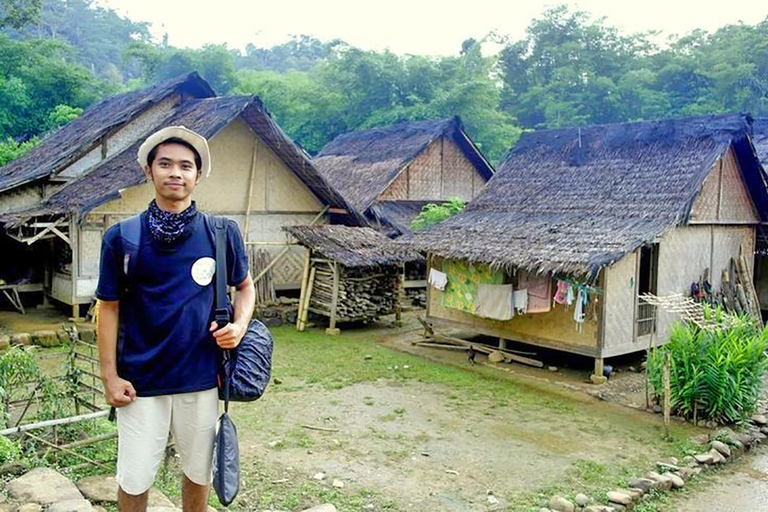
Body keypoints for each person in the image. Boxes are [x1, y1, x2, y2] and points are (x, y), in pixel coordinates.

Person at [96, 126, 256, 512]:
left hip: (200, 378)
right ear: (148, 171)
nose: (176, 173)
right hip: (139, 381)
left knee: (199, 473)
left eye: (186, 166)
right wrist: (110, 376)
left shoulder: (221, 233)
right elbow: (109, 307)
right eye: (165, 164)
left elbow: (246, 288)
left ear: (197, 176)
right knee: (134, 478)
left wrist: (239, 326)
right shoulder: (122, 237)